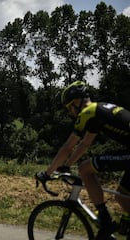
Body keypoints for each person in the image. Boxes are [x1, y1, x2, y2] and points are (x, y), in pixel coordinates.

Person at [35, 80, 130, 240]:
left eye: (69, 107)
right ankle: (113, 222)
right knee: (121, 196)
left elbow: (68, 146)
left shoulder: (88, 112)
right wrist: (66, 165)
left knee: (85, 168)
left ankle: (106, 221)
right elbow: (84, 144)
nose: (70, 112)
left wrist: (47, 173)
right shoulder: (98, 111)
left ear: (77, 102)